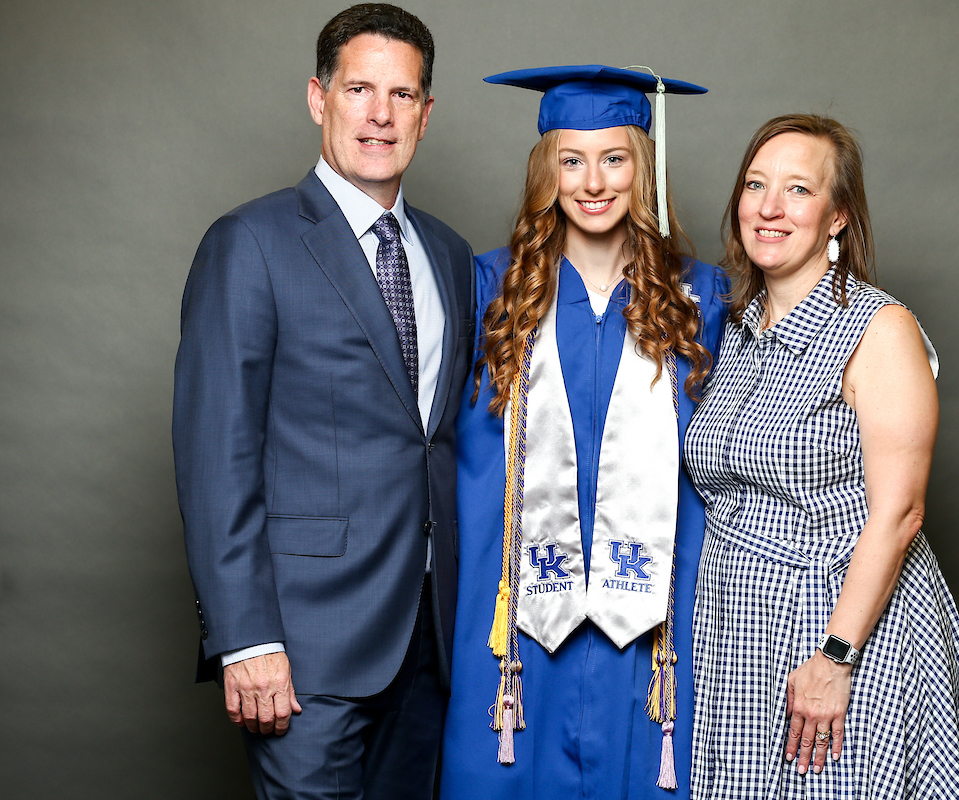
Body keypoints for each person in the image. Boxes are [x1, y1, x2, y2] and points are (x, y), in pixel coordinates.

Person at [172, 5, 474, 798]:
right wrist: (244, 640)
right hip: (305, 649)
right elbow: (216, 457)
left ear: (426, 113)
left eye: (402, 95)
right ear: (318, 97)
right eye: (359, 89)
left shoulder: (447, 254)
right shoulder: (251, 243)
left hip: (429, 641)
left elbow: (434, 443)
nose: (380, 114)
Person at [439, 66, 726, 800]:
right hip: (516, 619)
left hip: (658, 621)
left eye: (614, 159)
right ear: (547, 172)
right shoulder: (486, 291)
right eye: (572, 160)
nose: (593, 182)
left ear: (642, 168)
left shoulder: (702, 298)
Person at [685, 114, 959, 799]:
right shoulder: (735, 326)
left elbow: (901, 512)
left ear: (837, 217)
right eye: (756, 185)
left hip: (842, 628)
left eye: (798, 190)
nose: (769, 207)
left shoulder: (879, 328)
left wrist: (835, 658)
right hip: (739, 632)